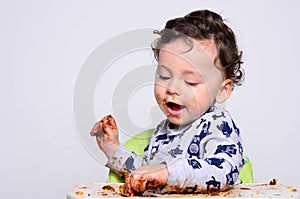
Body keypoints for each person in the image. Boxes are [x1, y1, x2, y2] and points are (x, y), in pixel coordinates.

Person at [90, 9, 247, 195]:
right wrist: (113, 149)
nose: (172, 88)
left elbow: (223, 170)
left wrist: (169, 174)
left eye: (190, 81)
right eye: (164, 76)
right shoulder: (163, 132)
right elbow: (147, 173)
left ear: (222, 90)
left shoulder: (217, 124)